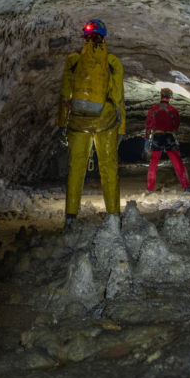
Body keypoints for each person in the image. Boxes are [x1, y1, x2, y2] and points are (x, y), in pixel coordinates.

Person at [56, 19, 125, 228]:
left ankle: (70, 217)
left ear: (85, 39)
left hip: (78, 121)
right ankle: (113, 216)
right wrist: (121, 128)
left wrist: (62, 123)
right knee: (108, 168)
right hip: (104, 121)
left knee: (76, 168)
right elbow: (118, 97)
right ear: (103, 37)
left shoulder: (73, 61)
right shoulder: (112, 62)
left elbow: (65, 95)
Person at [143, 87, 190, 192]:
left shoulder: (153, 108)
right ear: (170, 97)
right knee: (177, 161)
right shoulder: (173, 110)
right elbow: (176, 125)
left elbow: (148, 125)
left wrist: (147, 139)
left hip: (157, 136)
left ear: (161, 96)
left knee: (153, 162)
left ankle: (150, 188)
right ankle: (186, 187)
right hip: (169, 136)